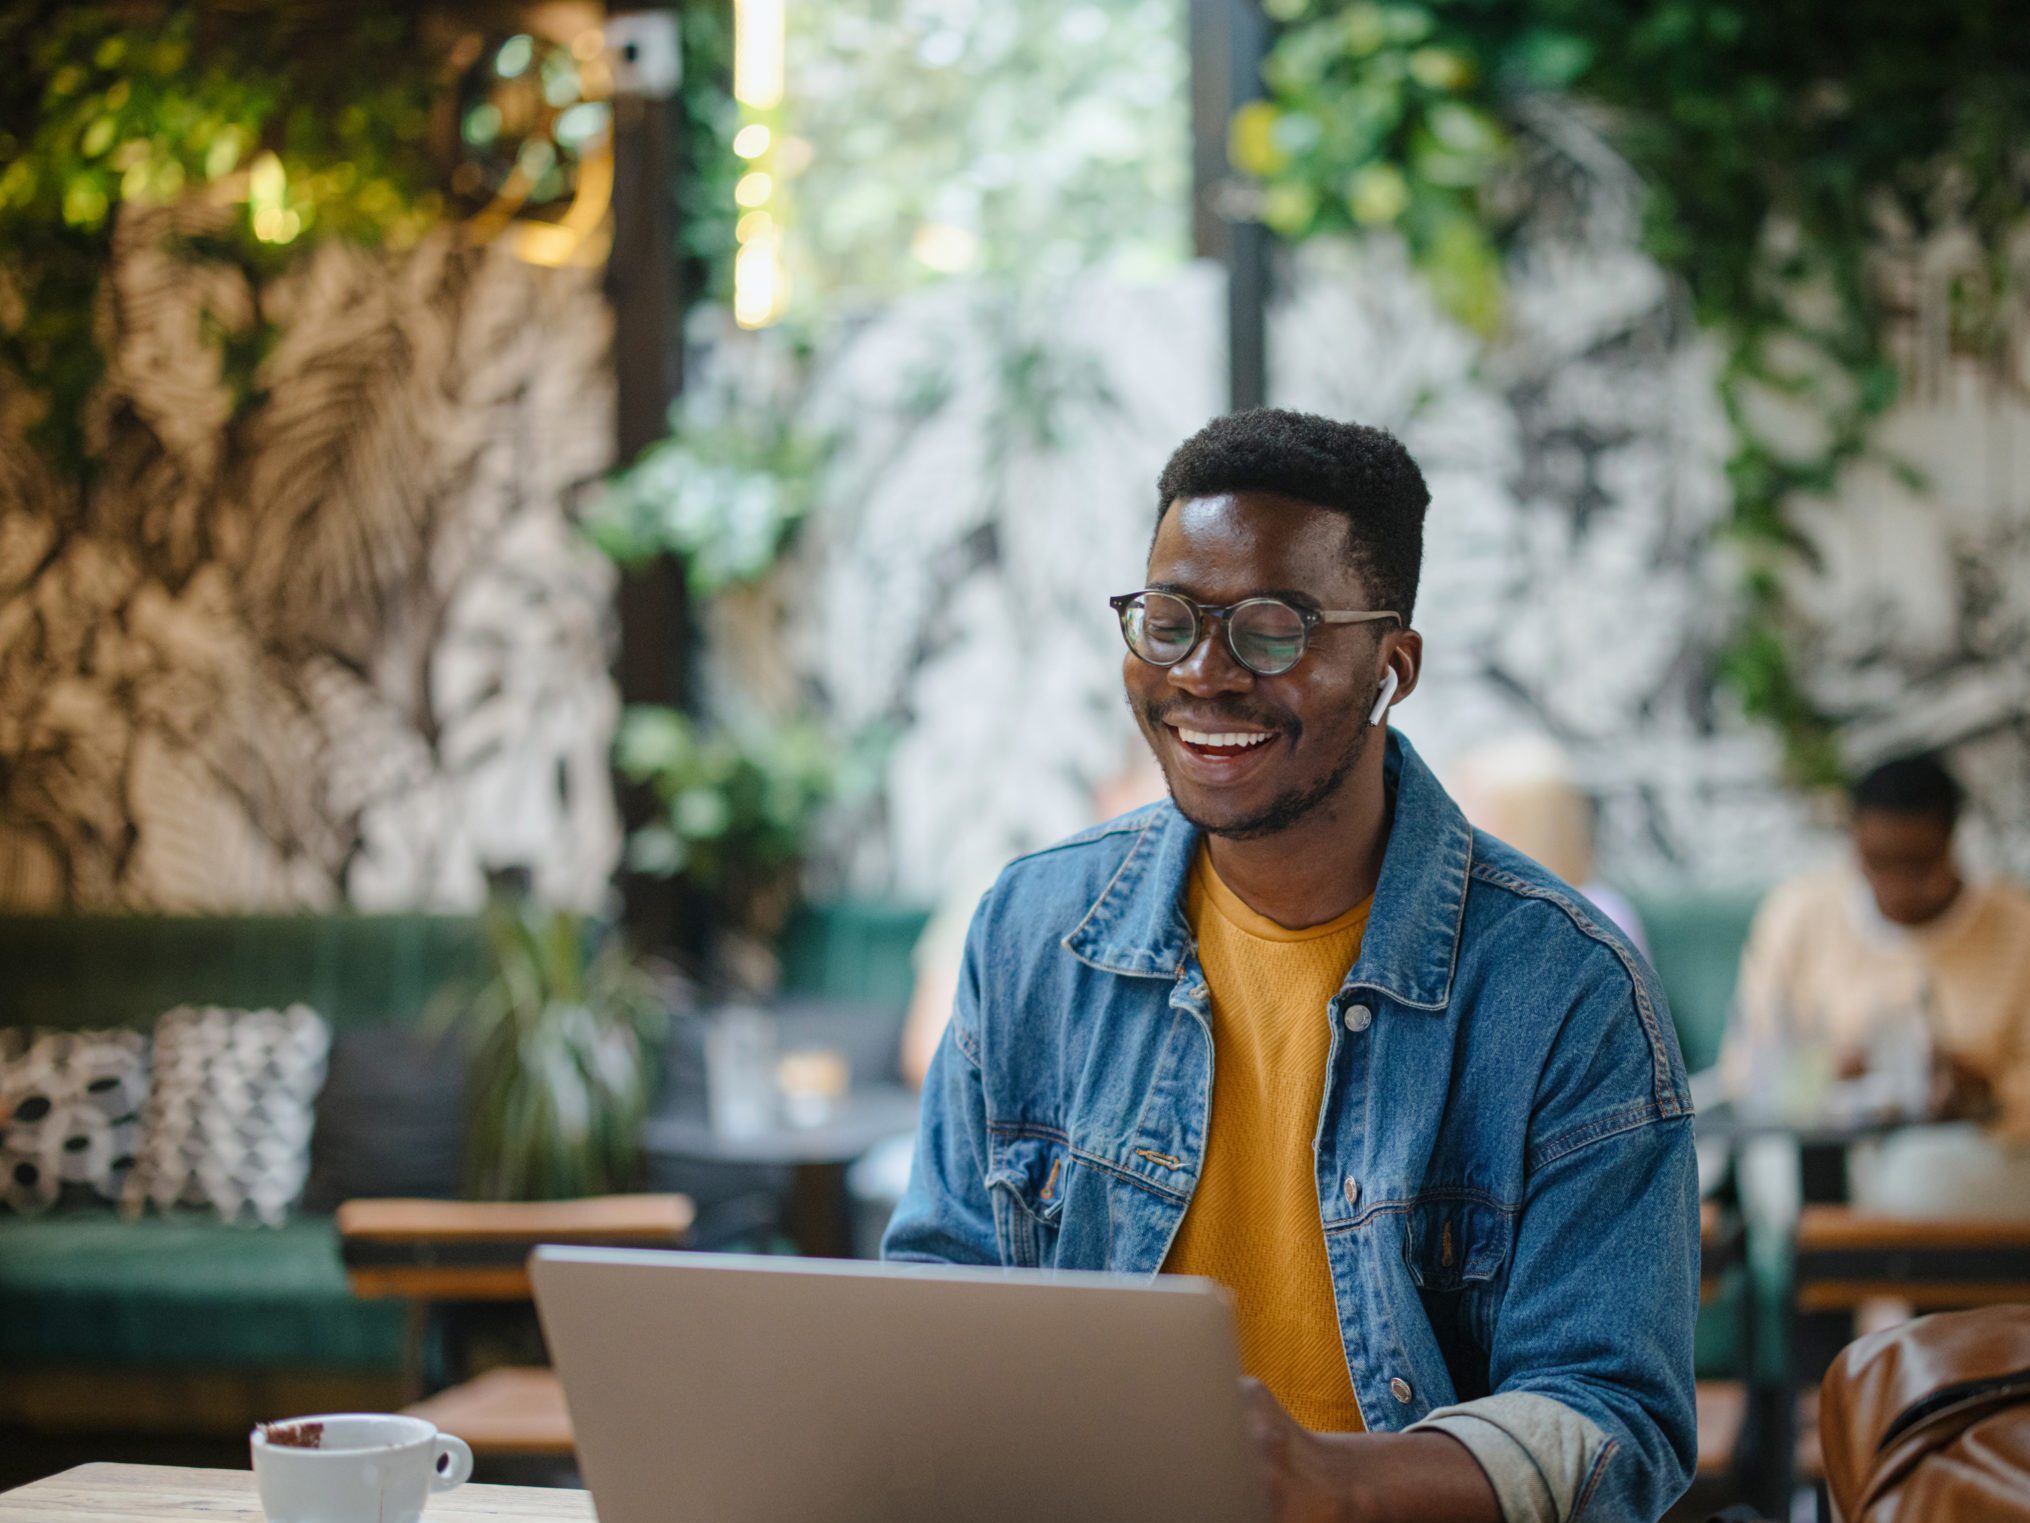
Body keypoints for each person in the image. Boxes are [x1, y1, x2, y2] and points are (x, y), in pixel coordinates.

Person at [883, 409, 1699, 1523]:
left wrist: (1330, 1482)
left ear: (1389, 665)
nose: (1204, 675)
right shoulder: (1031, 930)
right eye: (1166, 621)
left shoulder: (1565, 988)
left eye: (1271, 629)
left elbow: (1614, 1419)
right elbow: (937, 1302)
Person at [1727, 754, 2030, 1214]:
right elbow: (1748, 1064)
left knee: (1921, 1177)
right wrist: (1831, 1068)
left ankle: (1864, 1273)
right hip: (1825, 1143)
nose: (1897, 885)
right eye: (1876, 862)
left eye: (1918, 864)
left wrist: (1977, 1089)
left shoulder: (2016, 927)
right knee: (1786, 1168)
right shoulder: (1798, 914)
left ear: (1952, 840)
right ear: (1853, 840)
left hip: (1966, 1154)